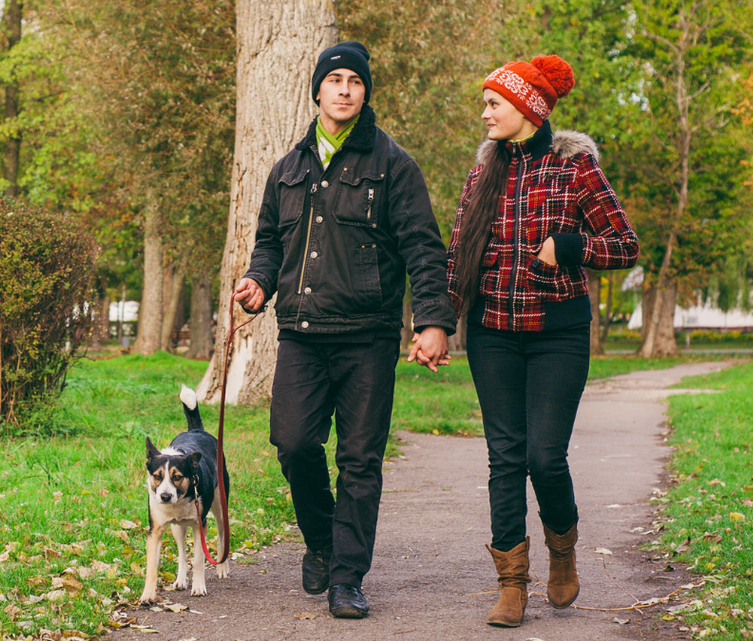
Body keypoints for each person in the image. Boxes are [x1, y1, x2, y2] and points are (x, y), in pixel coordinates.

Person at [233, 41, 457, 619]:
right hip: (302, 333)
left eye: (355, 81)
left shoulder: (393, 165)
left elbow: (424, 250)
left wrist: (432, 321)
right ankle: (323, 541)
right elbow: (269, 241)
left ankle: (347, 578)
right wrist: (259, 283)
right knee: (294, 442)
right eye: (334, 79)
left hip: (368, 336)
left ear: (364, 94)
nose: (344, 89)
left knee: (360, 460)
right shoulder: (288, 168)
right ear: (317, 91)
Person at [445, 55, 639, 627]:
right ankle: (510, 583)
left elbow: (625, 246)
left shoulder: (574, 167)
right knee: (504, 458)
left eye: (493, 103)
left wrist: (572, 246)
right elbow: (458, 252)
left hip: (558, 334)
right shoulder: (484, 173)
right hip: (491, 334)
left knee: (543, 457)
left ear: (528, 107)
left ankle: (561, 550)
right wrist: (434, 324)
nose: (484, 113)